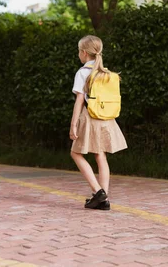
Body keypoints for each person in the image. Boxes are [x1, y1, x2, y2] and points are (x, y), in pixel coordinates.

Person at [70, 35, 127, 209]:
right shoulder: (107, 74)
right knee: (100, 155)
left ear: (85, 53)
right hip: (107, 118)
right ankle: (104, 199)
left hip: (91, 117)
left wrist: (73, 125)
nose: (79, 54)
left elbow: (80, 100)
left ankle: (97, 191)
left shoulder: (83, 73)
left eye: (79, 51)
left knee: (75, 153)